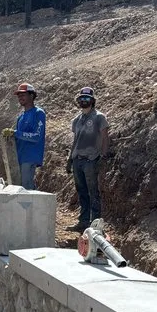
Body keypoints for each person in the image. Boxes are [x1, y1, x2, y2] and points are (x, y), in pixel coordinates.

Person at [67, 86, 110, 232]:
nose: (84, 101)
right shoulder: (77, 120)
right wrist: (70, 159)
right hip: (77, 160)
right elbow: (75, 140)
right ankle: (83, 221)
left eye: (87, 98)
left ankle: (95, 224)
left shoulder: (99, 117)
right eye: (81, 98)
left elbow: (105, 137)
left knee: (93, 192)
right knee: (81, 192)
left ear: (92, 101)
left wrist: (103, 156)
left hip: (91, 160)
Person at [11, 82, 45, 190]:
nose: (20, 97)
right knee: (20, 187)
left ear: (31, 95)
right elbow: (18, 138)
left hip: (30, 157)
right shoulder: (20, 117)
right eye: (19, 95)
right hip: (20, 157)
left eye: (23, 94)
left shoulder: (38, 113)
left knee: (27, 187)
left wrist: (16, 133)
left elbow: (37, 136)